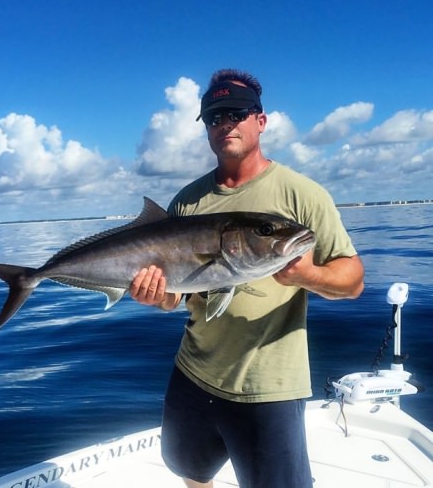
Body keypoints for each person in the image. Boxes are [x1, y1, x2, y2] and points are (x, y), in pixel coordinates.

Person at [129, 69, 364, 488]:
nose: (226, 124)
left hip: (268, 385)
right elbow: (180, 296)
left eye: (237, 112)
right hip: (192, 372)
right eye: (215, 116)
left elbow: (353, 279)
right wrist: (158, 297)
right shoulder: (187, 201)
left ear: (261, 119)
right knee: (190, 471)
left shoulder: (302, 195)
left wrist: (307, 274)